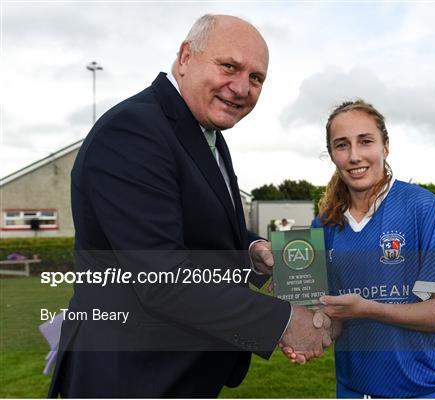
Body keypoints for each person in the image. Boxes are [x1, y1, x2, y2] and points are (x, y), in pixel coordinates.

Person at [48, 15, 333, 398]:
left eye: (256, 78)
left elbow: (196, 229)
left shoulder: (204, 132)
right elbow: (163, 279)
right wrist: (283, 321)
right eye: (229, 66)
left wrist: (252, 252)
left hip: (175, 375)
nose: (241, 88)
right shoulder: (134, 131)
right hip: (130, 378)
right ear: (185, 57)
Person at [285, 99, 435, 398]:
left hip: (425, 388)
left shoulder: (422, 207)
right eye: (342, 145)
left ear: (385, 146)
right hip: (354, 388)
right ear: (331, 155)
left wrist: (371, 309)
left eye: (365, 141)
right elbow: (333, 317)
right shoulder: (324, 224)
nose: (354, 156)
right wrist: (306, 331)